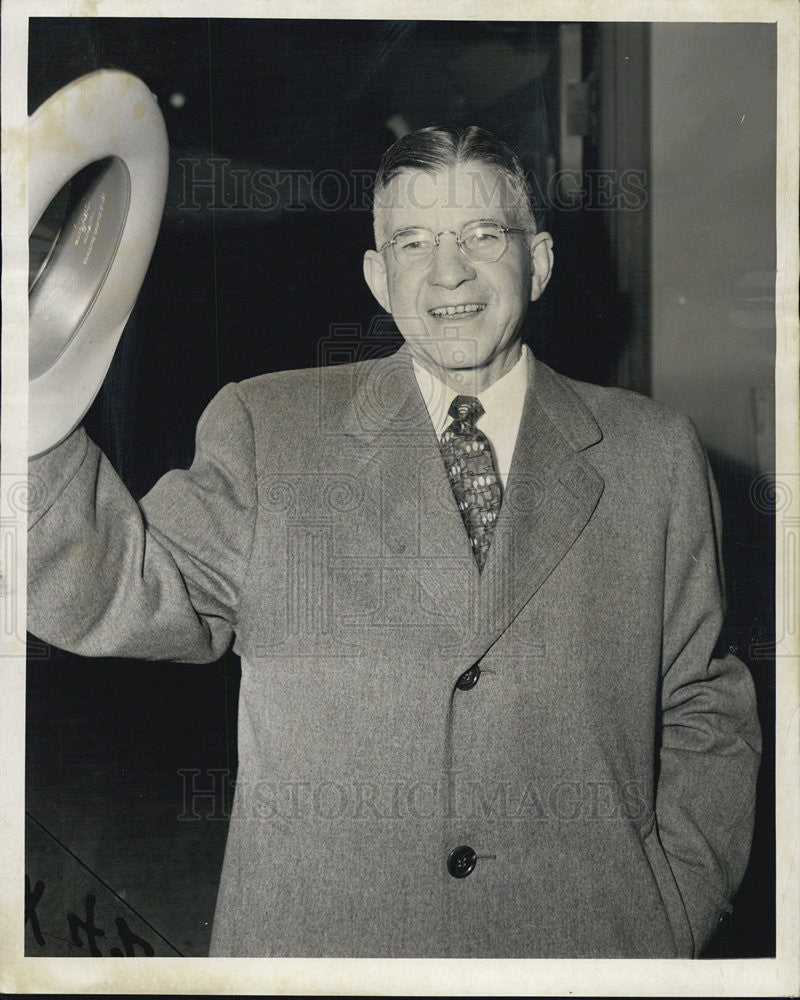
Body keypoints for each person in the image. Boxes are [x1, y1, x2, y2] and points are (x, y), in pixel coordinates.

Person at [27, 125, 760, 958]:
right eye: (413, 242)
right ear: (380, 277)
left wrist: (677, 904)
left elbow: (704, 701)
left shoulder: (653, 455)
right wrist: (35, 413)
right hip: (328, 951)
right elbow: (120, 589)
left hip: (583, 947)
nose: (448, 271)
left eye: (482, 235)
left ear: (541, 261)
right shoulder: (271, 430)